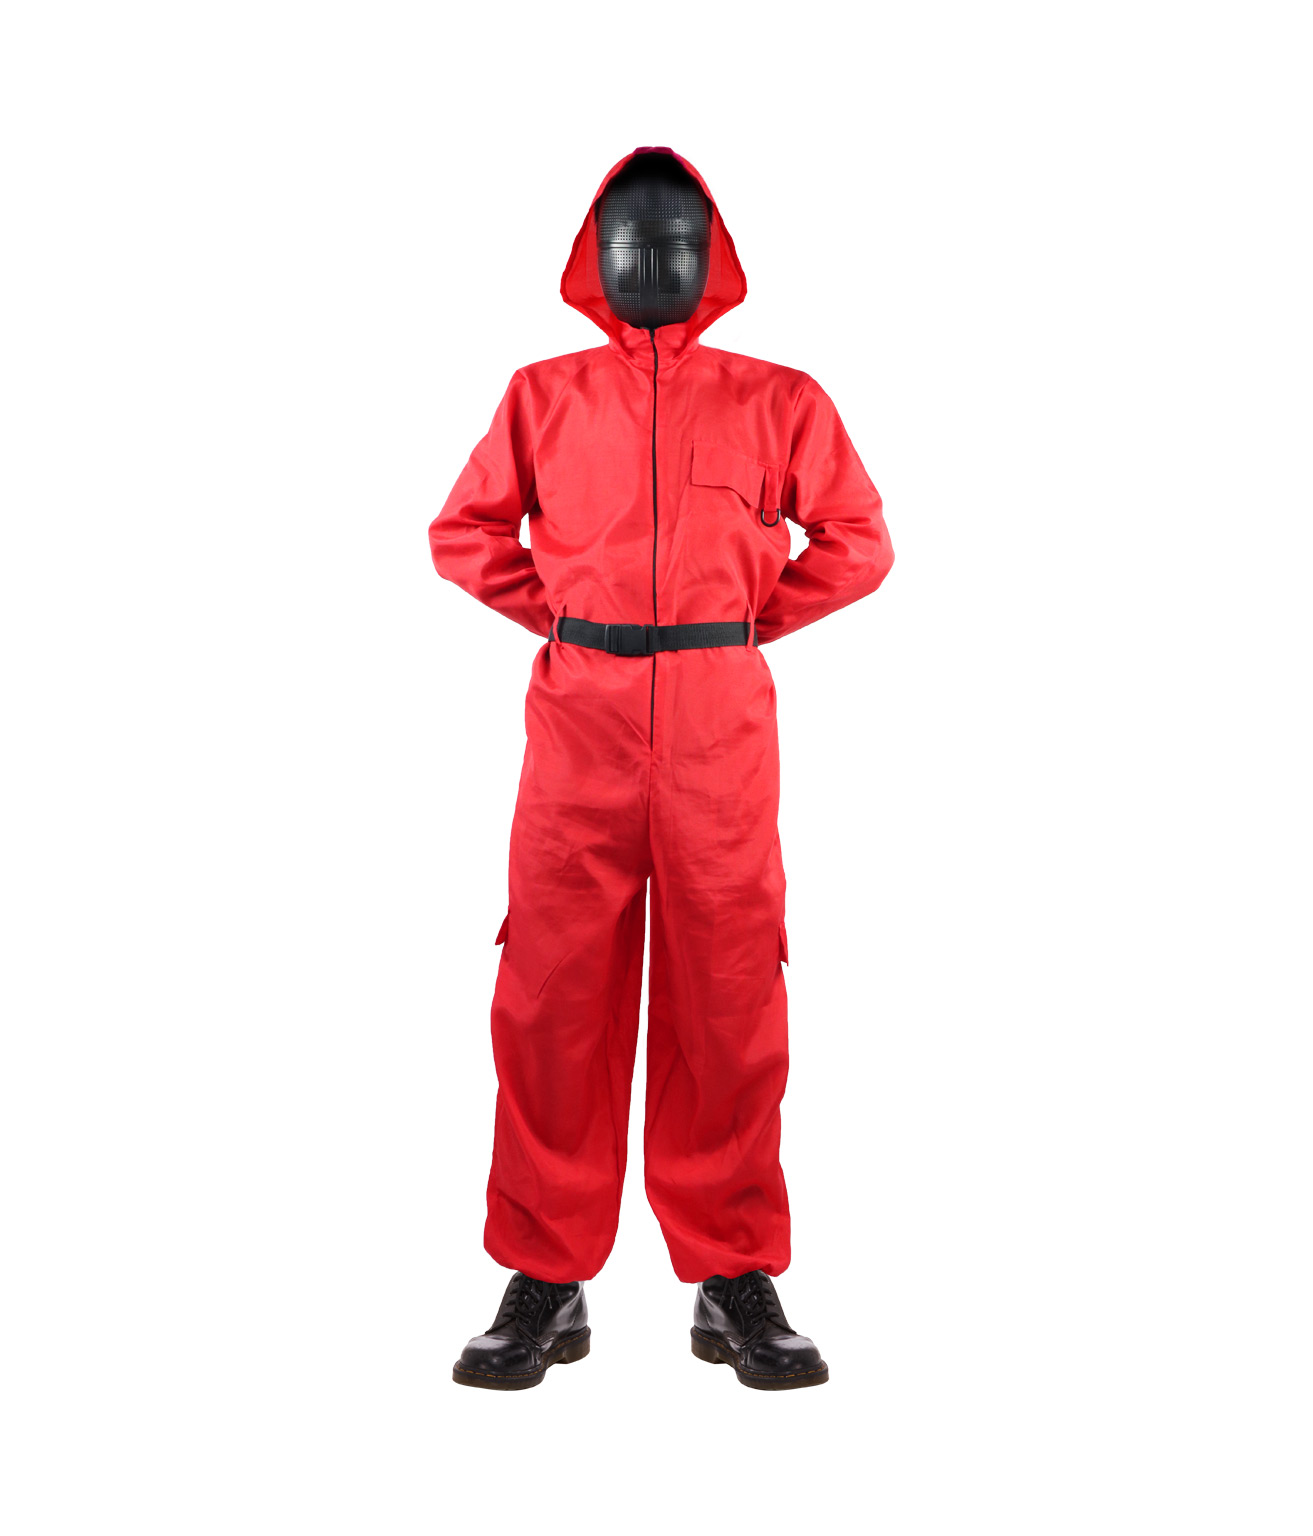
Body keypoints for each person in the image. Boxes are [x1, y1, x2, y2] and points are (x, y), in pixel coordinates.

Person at [430, 147, 893, 1391]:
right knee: (550, 997)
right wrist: (563, 615)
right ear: (595, 261)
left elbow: (857, 540)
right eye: (633, 247)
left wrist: (738, 625)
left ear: (709, 260)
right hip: (576, 723)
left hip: (716, 731)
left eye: (673, 246)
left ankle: (731, 1275)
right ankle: (546, 1276)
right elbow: (461, 531)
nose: (652, 265)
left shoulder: (777, 399)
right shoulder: (541, 396)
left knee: (729, 995)